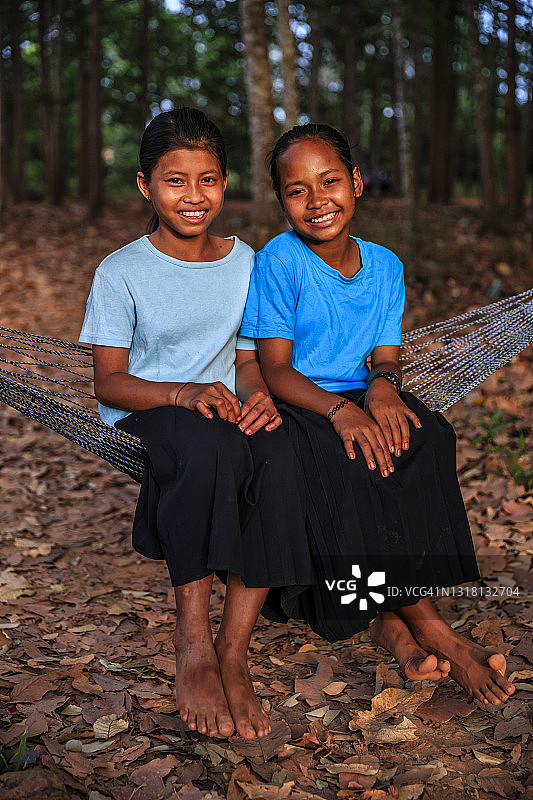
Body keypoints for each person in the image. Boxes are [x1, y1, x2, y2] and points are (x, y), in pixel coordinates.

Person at [240, 123, 515, 706]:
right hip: (302, 401)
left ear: (357, 183)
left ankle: (387, 616)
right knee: (353, 467)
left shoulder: (386, 266)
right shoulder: (279, 262)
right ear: (281, 201)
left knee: (427, 439)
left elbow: (384, 355)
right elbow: (278, 371)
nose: (317, 201)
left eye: (330, 181)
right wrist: (342, 411)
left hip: (362, 393)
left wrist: (384, 389)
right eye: (297, 190)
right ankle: (432, 625)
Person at [79, 108, 314, 740]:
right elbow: (109, 381)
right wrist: (180, 392)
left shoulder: (245, 262)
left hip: (224, 406)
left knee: (280, 453)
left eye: (206, 179)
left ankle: (233, 650)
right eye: (175, 181)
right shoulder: (122, 271)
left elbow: (245, 360)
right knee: (210, 448)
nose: (193, 196)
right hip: (147, 410)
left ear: (226, 181)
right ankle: (193, 643)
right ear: (145, 186)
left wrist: (261, 396)